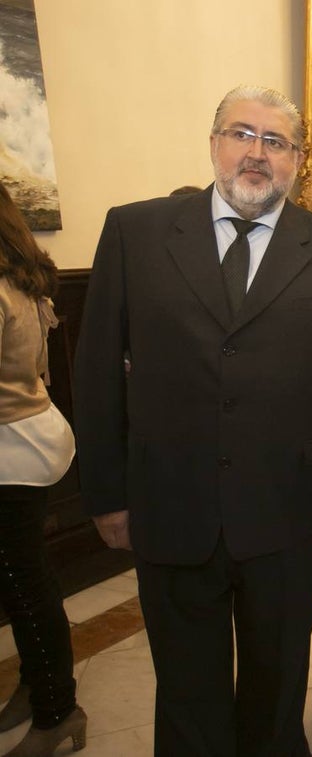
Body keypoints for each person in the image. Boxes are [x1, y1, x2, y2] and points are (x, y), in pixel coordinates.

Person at [72, 85, 312, 756]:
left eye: (275, 141)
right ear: (214, 143)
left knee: (277, 688)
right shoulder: (136, 231)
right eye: (242, 133)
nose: (256, 152)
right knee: (187, 692)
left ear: (297, 160)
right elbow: (95, 374)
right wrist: (105, 493)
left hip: (287, 514)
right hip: (170, 505)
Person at [0, 183, 86, 756]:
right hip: (31, 429)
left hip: (14, 442)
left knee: (24, 583)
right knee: (25, 578)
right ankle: (37, 686)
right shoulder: (18, 273)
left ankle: (58, 711)